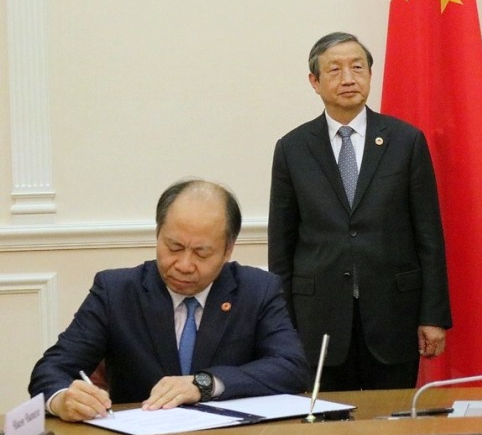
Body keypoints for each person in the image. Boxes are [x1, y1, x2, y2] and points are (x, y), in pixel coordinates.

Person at [29, 179, 311, 422]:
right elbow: (50, 370)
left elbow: (292, 367)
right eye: (173, 247)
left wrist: (205, 384)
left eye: (201, 253)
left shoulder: (257, 290)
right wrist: (62, 399)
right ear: (158, 234)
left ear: (228, 250)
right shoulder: (116, 292)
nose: (184, 265)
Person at [268, 31, 451, 391]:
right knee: (328, 419)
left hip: (393, 314)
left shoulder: (406, 141)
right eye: (335, 70)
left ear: (370, 74)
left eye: (357, 67)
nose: (348, 78)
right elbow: (282, 246)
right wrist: (282, 325)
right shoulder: (292, 149)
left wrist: (433, 316)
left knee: (392, 417)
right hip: (319, 318)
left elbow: (429, 236)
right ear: (314, 82)